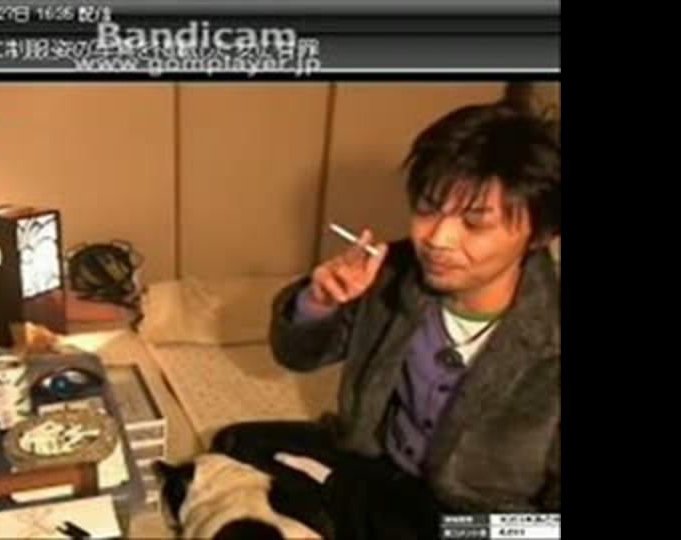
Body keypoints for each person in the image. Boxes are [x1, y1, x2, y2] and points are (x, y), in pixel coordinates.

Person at [210, 100, 560, 540]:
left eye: (475, 223)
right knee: (237, 444)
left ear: (541, 233)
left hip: (475, 515)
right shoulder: (393, 272)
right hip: (378, 462)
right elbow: (296, 355)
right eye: (428, 208)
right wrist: (319, 302)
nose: (438, 238)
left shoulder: (550, 332)